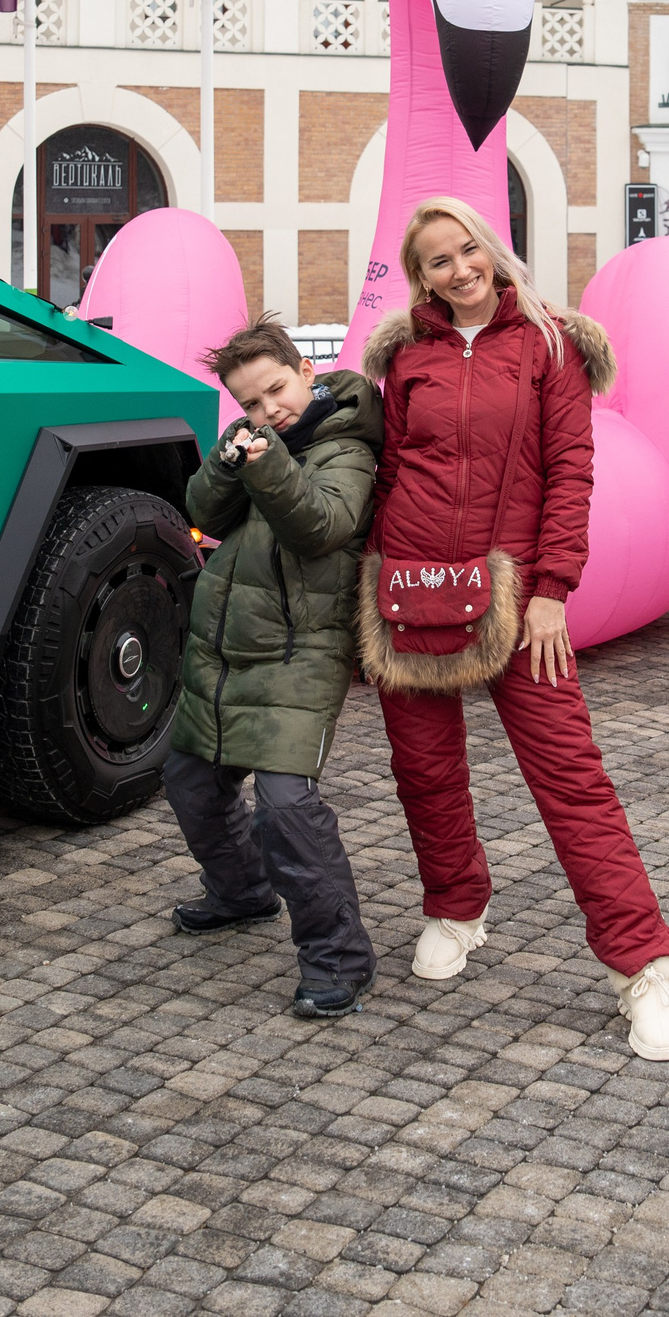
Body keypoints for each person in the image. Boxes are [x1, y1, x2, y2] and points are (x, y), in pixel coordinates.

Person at [358, 197, 669, 1061]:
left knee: (572, 780)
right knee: (424, 773)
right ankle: (455, 907)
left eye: (467, 250)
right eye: (436, 261)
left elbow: (572, 473)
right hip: (413, 587)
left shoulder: (549, 345)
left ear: (491, 249)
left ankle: (641, 968)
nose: (458, 270)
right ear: (420, 276)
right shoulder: (409, 358)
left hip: (517, 599)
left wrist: (552, 591)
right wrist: (371, 573)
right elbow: (391, 472)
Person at [162, 315, 381, 1019]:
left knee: (287, 810)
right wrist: (231, 460)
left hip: (298, 653)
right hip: (224, 648)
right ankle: (239, 892)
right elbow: (203, 512)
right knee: (190, 779)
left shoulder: (346, 446)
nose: (268, 411)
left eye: (277, 391)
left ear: (307, 372)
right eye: (250, 404)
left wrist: (266, 460)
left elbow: (319, 527)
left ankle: (339, 958)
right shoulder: (252, 441)